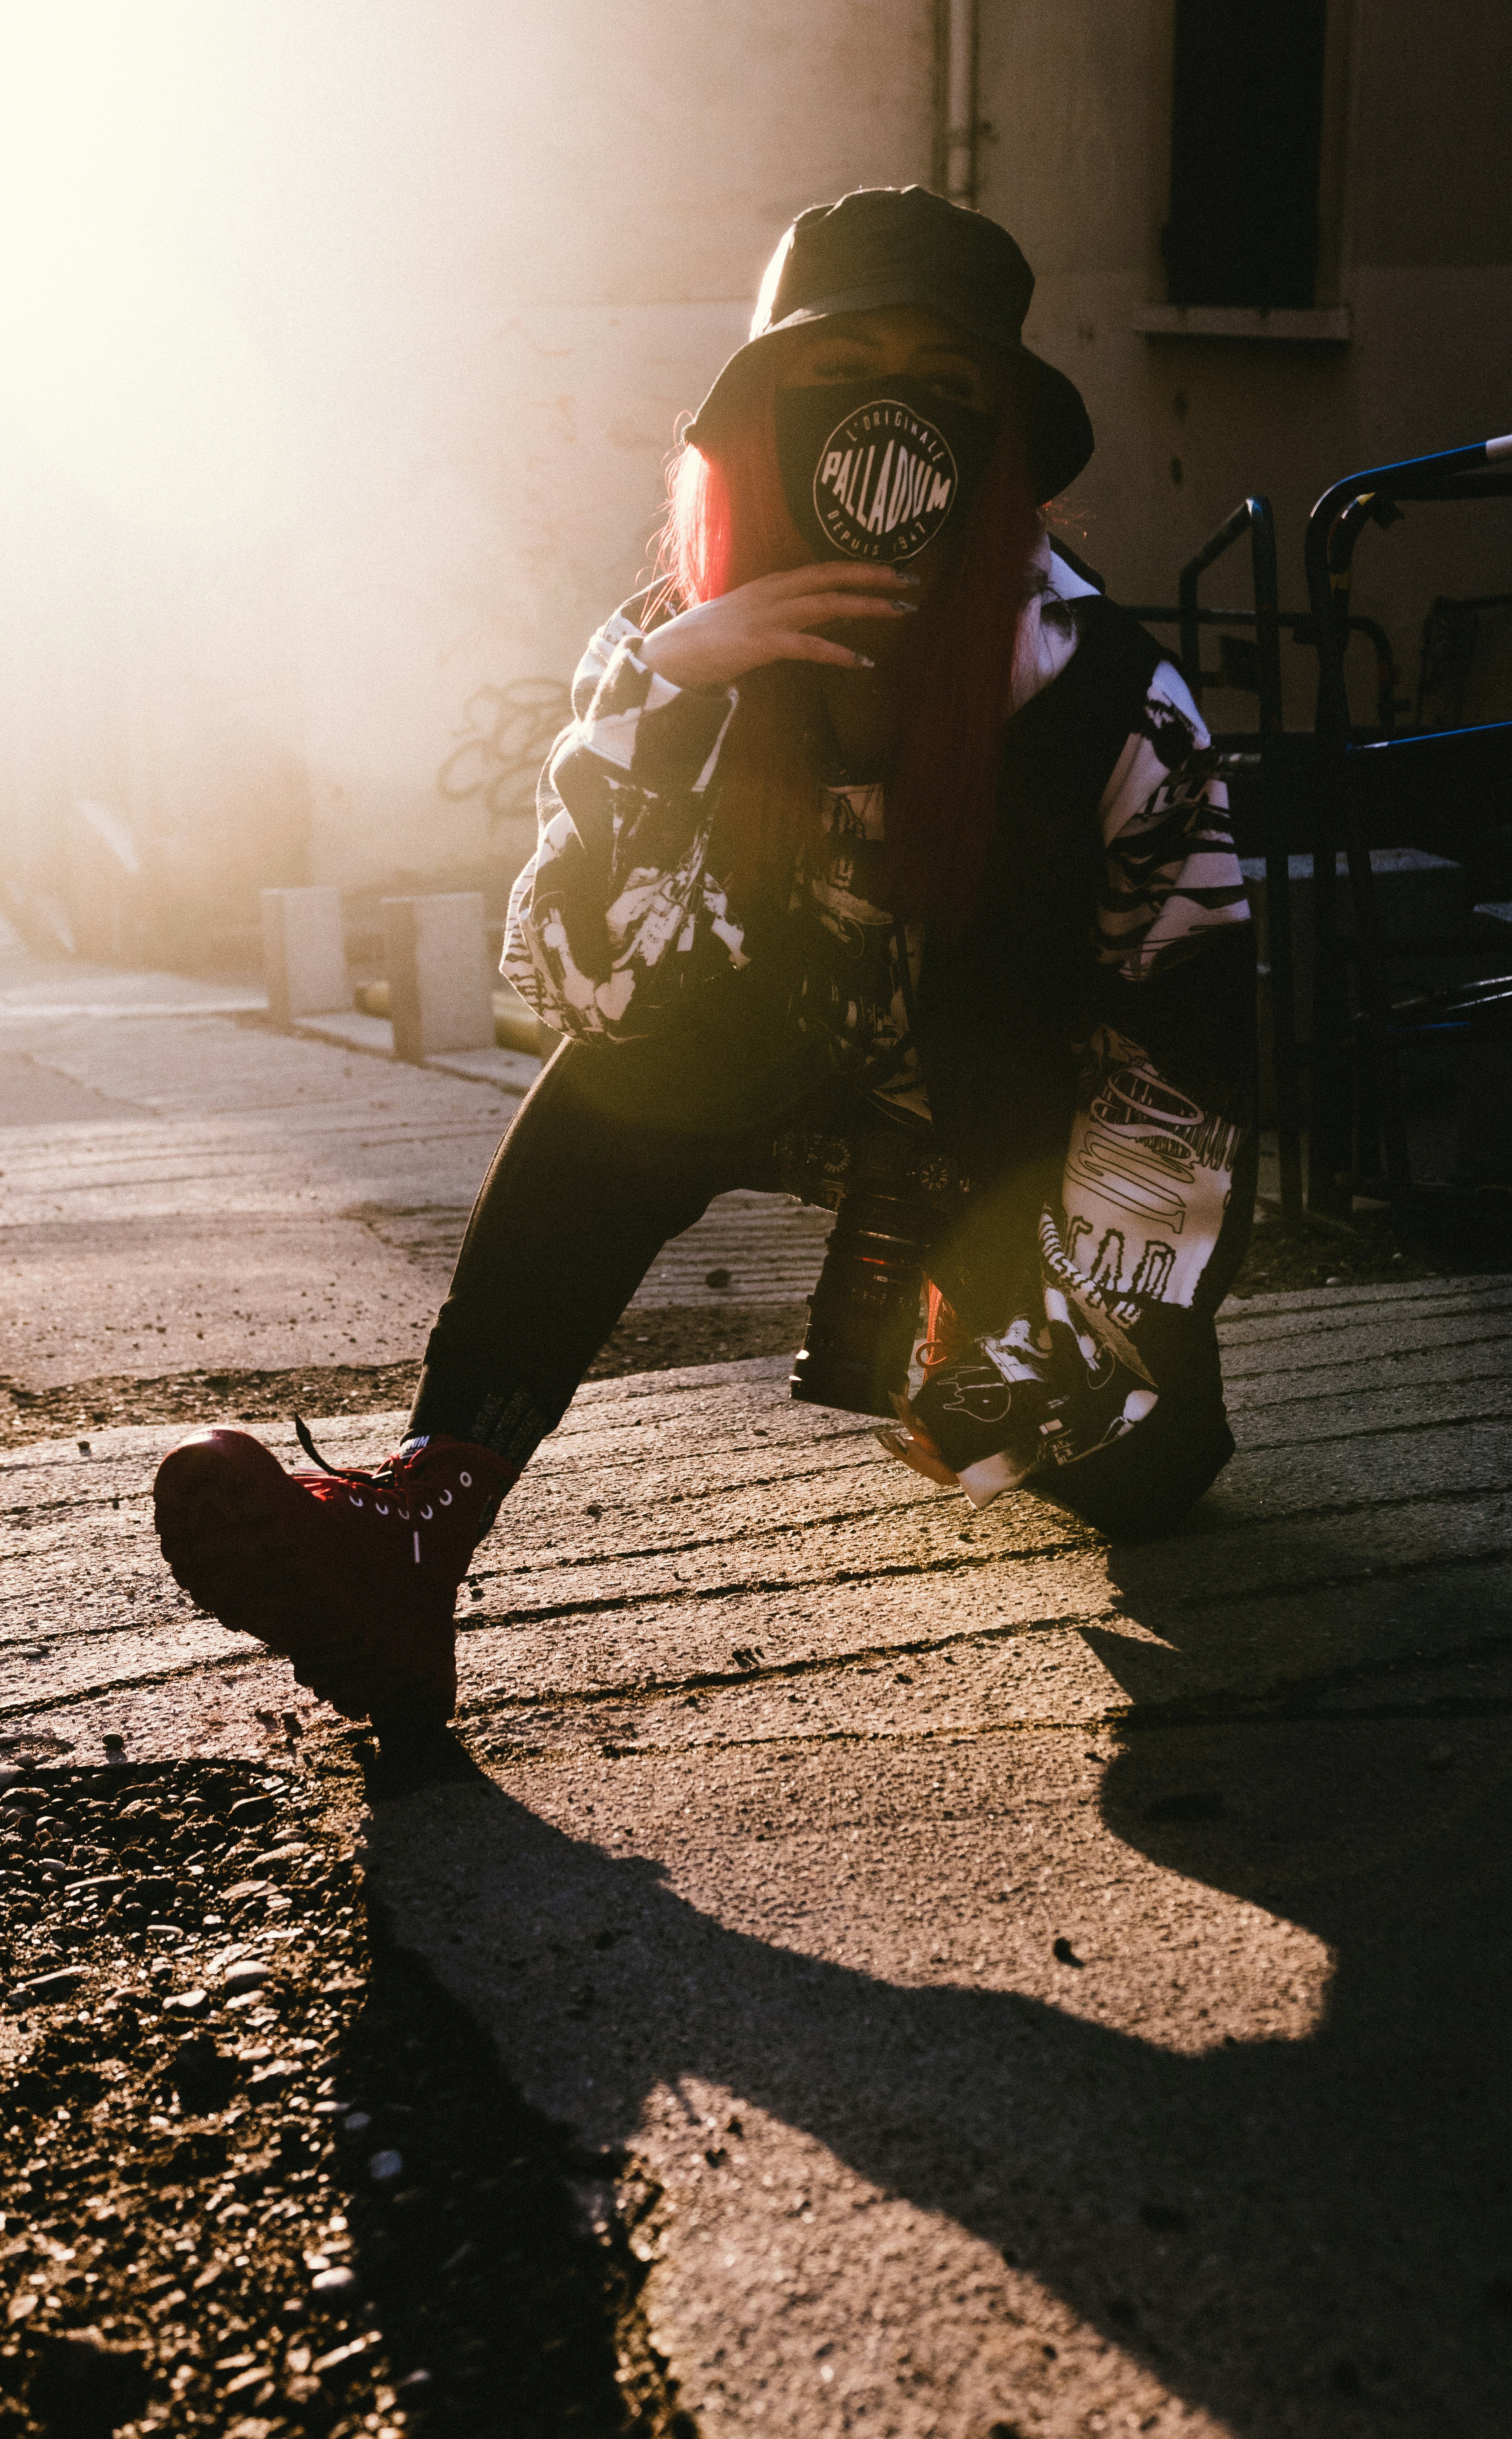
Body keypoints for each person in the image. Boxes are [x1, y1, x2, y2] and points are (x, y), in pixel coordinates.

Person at [152, 188, 1255, 1729]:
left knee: (1140, 1478)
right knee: (612, 1085)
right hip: (757, 1066)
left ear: (999, 439)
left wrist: (1054, 1326)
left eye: (944, 391)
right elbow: (576, 978)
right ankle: (416, 1525)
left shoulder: (1102, 694)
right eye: (836, 375)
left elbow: (1188, 1042)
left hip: (1015, 1155)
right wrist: (668, 699)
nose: (888, 429)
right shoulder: (672, 644)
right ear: (755, 424)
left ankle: (1060, 1384)